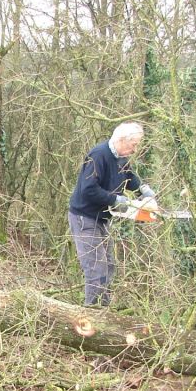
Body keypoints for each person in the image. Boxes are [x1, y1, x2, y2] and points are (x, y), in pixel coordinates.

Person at [68, 121, 156, 307]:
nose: (135, 149)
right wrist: (117, 200)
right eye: (134, 145)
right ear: (122, 140)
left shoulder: (121, 157)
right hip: (85, 217)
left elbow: (129, 176)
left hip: (102, 219)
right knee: (96, 268)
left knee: (108, 266)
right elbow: (88, 189)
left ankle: (103, 310)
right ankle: (92, 313)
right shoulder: (99, 155)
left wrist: (144, 191)